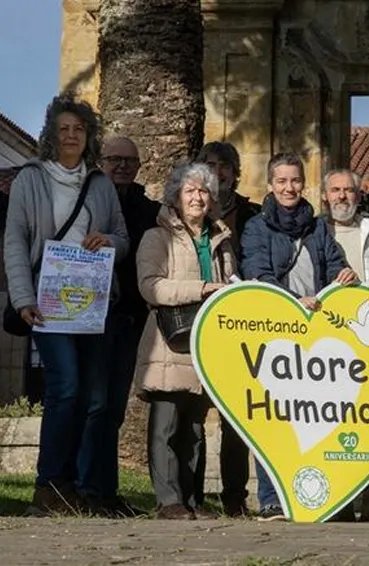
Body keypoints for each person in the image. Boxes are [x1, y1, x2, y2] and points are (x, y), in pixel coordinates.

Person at [4, 94, 129, 516]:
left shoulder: (100, 184)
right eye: (64, 129)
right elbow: (15, 241)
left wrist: (108, 240)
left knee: (95, 400)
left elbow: (123, 239)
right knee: (66, 387)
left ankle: (78, 486)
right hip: (47, 301)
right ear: (51, 135)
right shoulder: (30, 179)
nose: (71, 135)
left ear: (88, 135)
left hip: (94, 303)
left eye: (79, 129)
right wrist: (22, 296)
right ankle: (49, 484)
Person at [241, 152, 357, 521]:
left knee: (318, 419)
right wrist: (292, 301)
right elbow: (257, 274)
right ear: (270, 186)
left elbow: (334, 264)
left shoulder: (317, 227)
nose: (289, 188)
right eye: (282, 182)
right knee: (274, 418)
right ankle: (272, 497)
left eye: (295, 181)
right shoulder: (256, 228)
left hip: (316, 339)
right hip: (275, 334)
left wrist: (344, 276)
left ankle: (319, 496)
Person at [135, 163, 237, 520]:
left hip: (206, 343)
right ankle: (168, 500)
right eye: (190, 191)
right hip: (168, 340)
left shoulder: (220, 240)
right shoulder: (156, 237)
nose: (197, 197)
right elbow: (150, 286)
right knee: (166, 423)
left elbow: (231, 283)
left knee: (194, 426)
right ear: (176, 197)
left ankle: (192, 500)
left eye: (204, 191)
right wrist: (202, 289)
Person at [322, 168, 369, 522]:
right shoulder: (315, 233)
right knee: (331, 423)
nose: (342, 196)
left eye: (348, 190)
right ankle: (336, 501)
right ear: (325, 196)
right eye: (335, 190)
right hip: (328, 347)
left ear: (359, 195)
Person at [194, 141, 260, 517]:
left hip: (243, 323)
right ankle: (193, 494)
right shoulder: (187, 212)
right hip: (199, 321)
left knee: (238, 414)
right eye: (208, 164)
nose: (216, 171)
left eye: (223, 166)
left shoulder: (254, 215)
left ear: (235, 173)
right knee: (195, 412)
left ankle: (234, 497)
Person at [95, 136, 159, 517]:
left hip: (128, 319)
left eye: (128, 160)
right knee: (93, 404)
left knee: (113, 407)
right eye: (113, 159)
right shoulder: (89, 201)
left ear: (138, 166)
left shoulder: (148, 210)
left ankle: (105, 490)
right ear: (101, 162)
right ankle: (82, 487)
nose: (121, 166)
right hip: (88, 316)